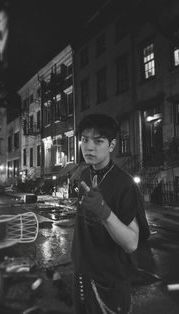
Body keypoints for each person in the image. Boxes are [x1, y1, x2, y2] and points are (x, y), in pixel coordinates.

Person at [71, 113, 150, 314]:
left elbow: (131, 243)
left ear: (112, 145)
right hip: (82, 272)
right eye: (85, 140)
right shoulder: (84, 174)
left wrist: (105, 212)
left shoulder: (125, 184)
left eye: (98, 141)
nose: (89, 147)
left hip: (110, 280)